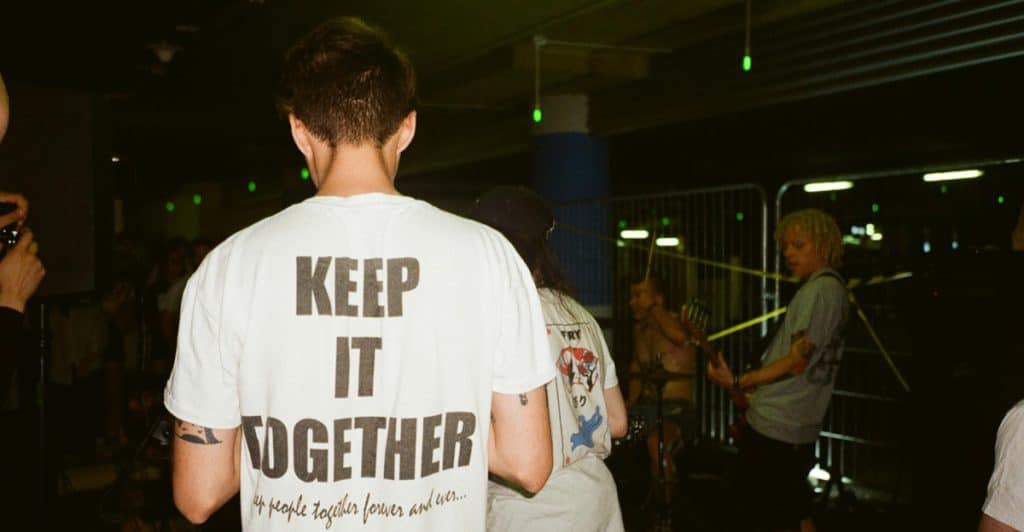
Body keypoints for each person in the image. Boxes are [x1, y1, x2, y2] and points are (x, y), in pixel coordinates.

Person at [163, 18, 554, 531]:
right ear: (406, 128)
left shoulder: (229, 267)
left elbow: (198, 495)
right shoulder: (490, 257)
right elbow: (529, 465)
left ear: (299, 130)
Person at [469, 186, 628, 532]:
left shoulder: (494, 317)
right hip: (596, 499)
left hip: (531, 512)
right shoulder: (581, 314)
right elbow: (617, 423)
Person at [706, 208, 848, 532]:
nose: (788, 254)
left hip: (778, 427)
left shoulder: (820, 290)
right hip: (789, 423)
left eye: (798, 245)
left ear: (824, 244)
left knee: (763, 515)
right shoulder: (828, 290)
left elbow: (797, 361)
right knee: (795, 513)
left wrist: (739, 380)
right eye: (785, 246)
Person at [626, 276, 700, 497]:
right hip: (646, 409)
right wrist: (627, 407)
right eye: (631, 296)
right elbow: (636, 373)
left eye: (639, 295)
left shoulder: (678, 323)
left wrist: (656, 309)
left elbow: (680, 337)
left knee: (656, 443)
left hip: (676, 411)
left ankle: (665, 510)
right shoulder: (639, 331)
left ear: (658, 299)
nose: (632, 302)